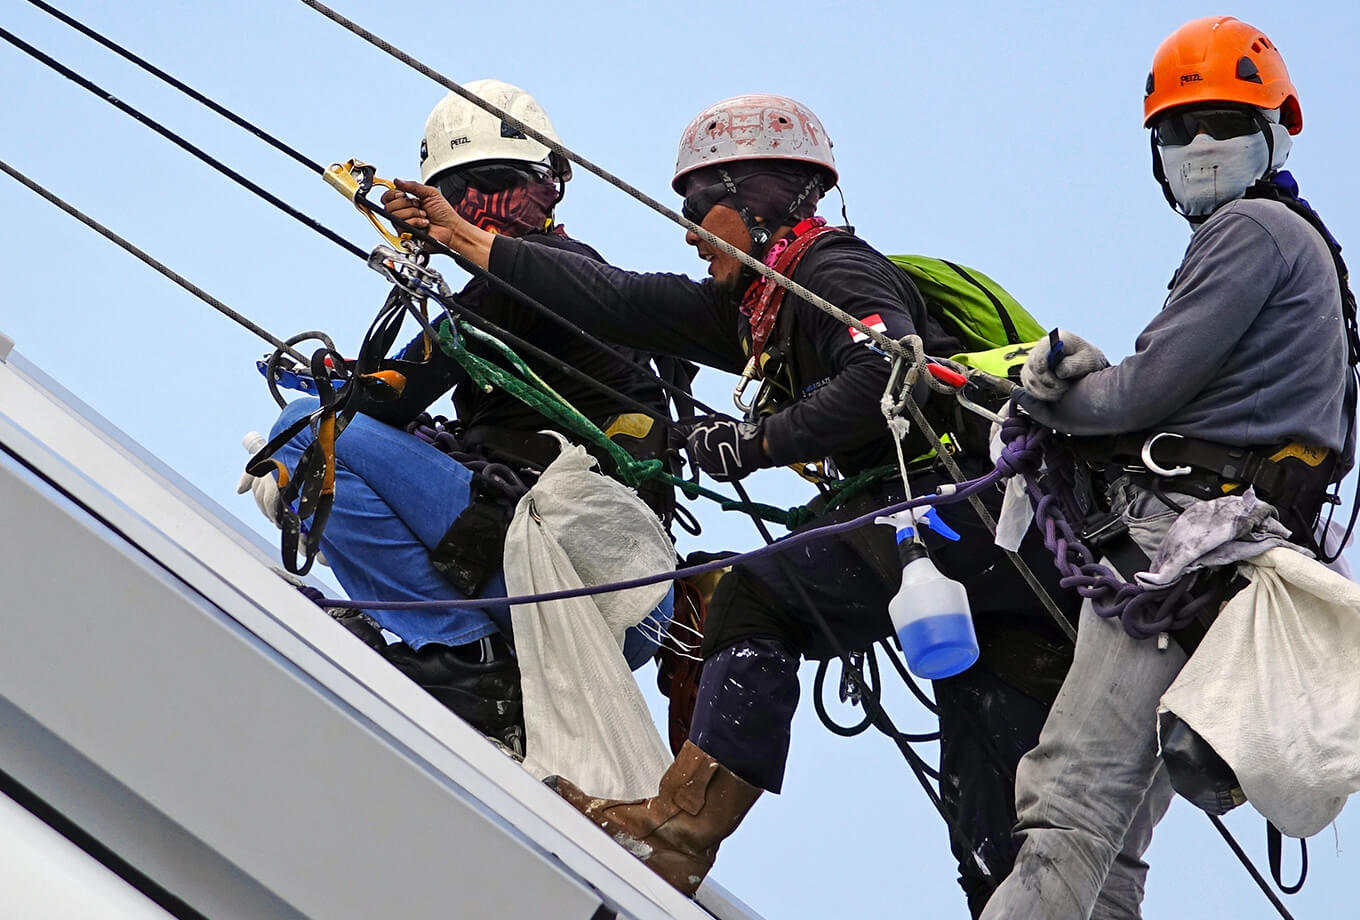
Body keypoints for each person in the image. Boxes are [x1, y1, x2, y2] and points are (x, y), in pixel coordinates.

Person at [383, 92, 1081, 908]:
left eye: (694, 206)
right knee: (987, 803)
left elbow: (883, 372)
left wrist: (755, 445)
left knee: (756, 590)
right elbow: (618, 299)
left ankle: (677, 829)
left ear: (755, 196)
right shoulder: (755, 306)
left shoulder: (832, 271)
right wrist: (469, 240)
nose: (685, 230)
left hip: (967, 513)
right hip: (999, 562)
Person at [971, 17, 1355, 919]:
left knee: (1068, 811)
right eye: (1178, 129)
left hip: (1183, 543)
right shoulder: (1304, 248)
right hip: (1227, 552)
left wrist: (1043, 396)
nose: (1199, 145)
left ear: (1274, 133)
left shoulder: (1254, 229)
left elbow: (1140, 396)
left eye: (1222, 120)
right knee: (1113, 849)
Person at [244, 79, 679, 755]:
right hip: (615, 598)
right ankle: (471, 659)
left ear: (551, 188)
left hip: (582, 576)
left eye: (500, 187)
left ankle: (460, 655)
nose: (479, 211)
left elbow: (386, 397)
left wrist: (340, 394)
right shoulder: (571, 286)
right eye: (460, 195)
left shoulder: (537, 273)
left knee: (306, 430)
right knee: (347, 438)